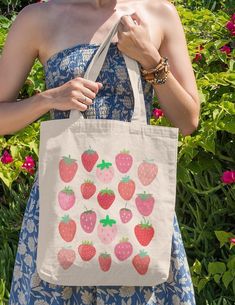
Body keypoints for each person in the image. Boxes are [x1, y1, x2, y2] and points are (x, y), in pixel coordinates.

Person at [0, 0, 200, 303]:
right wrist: (49, 99)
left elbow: (188, 121)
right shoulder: (38, 19)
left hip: (136, 206)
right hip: (65, 204)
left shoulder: (159, 14)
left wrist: (150, 58)